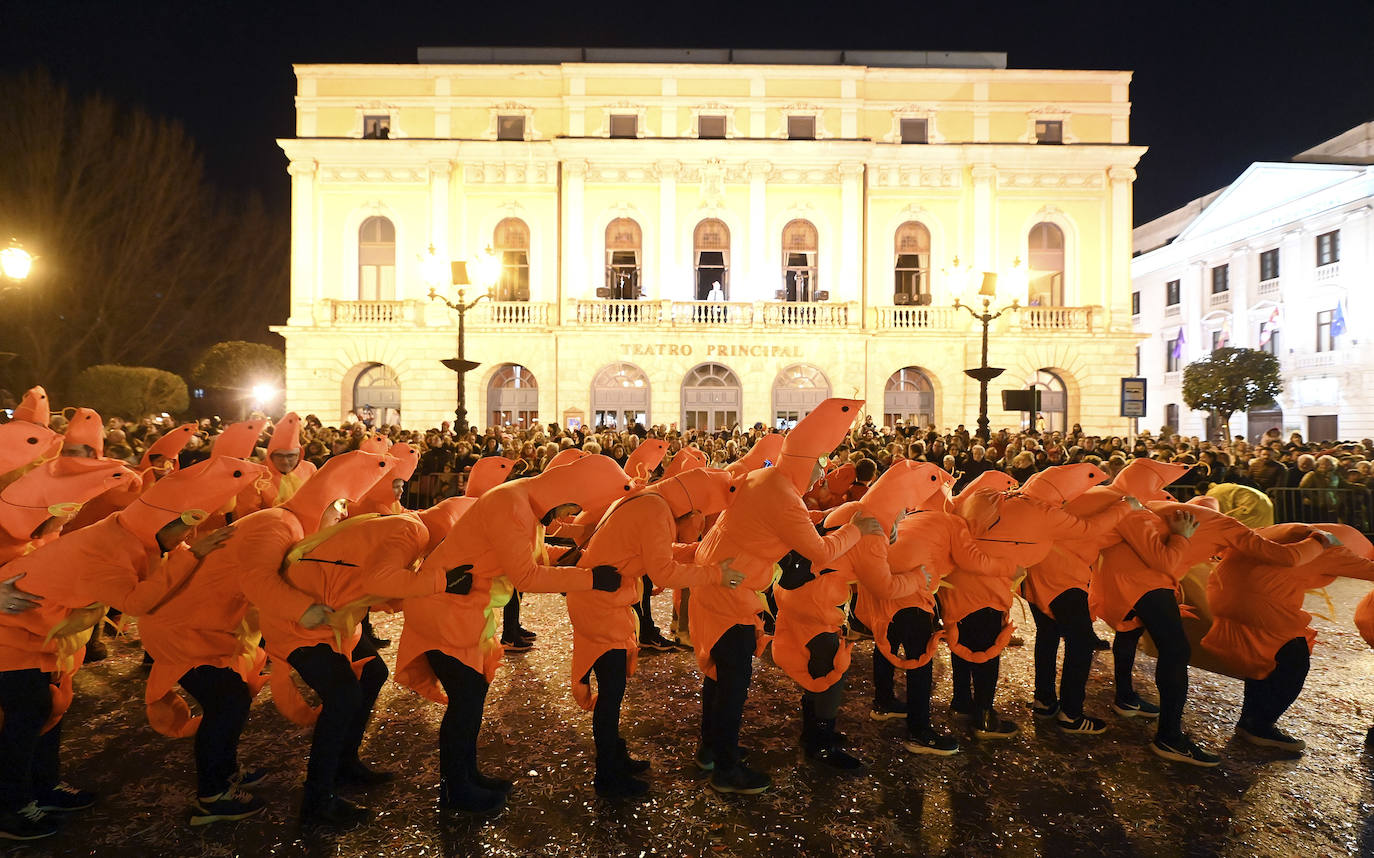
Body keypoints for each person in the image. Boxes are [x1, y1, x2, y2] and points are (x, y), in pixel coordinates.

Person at [0, 458, 265, 841]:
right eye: (185, 527)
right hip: (11, 634)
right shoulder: (108, 547)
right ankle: (11, 808)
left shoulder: (128, 535)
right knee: (30, 710)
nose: (185, 539)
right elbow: (136, 602)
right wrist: (194, 555)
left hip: (38, 634)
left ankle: (42, 787)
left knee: (47, 707)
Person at [137, 452, 387, 827]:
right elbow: (259, 580)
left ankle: (228, 773)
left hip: (206, 623)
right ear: (321, 501)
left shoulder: (291, 524)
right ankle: (214, 795)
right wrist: (307, 611)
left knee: (231, 697)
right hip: (180, 625)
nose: (342, 515)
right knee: (226, 700)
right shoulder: (278, 524)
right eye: (338, 505)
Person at [396, 455, 634, 813]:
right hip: (442, 610)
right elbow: (527, 577)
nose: (565, 517)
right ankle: (456, 789)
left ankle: (466, 776)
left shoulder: (526, 501)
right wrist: (589, 578)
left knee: (471, 697)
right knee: (466, 700)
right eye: (570, 507)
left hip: (461, 610)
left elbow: (530, 556)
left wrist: (574, 557)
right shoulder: (512, 505)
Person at [693, 399, 880, 794]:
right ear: (803, 461)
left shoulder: (765, 479)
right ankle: (725, 771)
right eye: (818, 464)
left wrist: (819, 522)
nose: (820, 473)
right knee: (732, 685)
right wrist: (857, 528)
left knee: (717, 675)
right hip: (733, 592)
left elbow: (780, 524)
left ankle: (712, 749)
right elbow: (822, 552)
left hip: (717, 581)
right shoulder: (785, 495)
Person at [567, 468, 740, 797]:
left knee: (613, 688)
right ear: (689, 509)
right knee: (611, 693)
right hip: (599, 605)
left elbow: (654, 550)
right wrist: (715, 573)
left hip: (602, 600)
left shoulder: (652, 502)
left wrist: (693, 555)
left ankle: (615, 757)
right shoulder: (658, 511)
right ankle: (607, 775)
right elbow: (663, 570)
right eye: (702, 520)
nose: (701, 530)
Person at [773, 460, 930, 770]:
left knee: (817, 668)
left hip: (798, 592)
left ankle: (814, 732)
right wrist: (917, 578)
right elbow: (883, 586)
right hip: (817, 603)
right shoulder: (871, 532)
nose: (904, 515)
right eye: (903, 510)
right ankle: (821, 742)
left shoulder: (856, 510)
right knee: (830, 671)